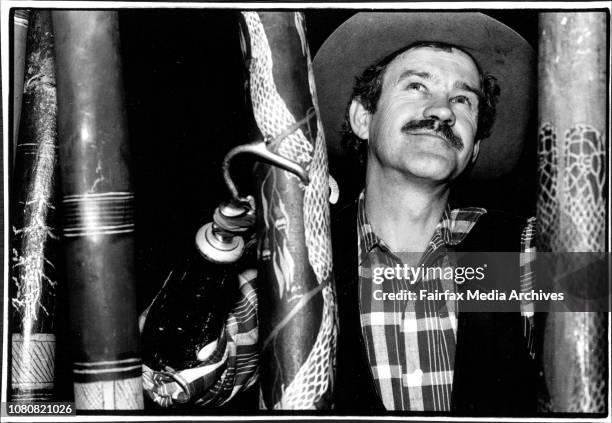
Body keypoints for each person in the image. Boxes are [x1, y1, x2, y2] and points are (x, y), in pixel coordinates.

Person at [141, 12, 537, 415]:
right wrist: (216, 254)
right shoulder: (298, 259)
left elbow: (597, 353)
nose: (442, 111)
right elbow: (176, 378)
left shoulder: (521, 252)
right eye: (417, 85)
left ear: (473, 149)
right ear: (363, 118)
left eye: (462, 99)